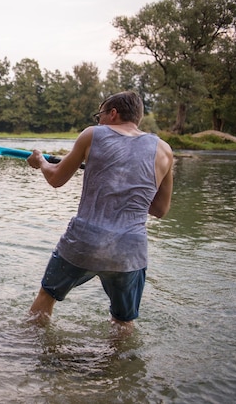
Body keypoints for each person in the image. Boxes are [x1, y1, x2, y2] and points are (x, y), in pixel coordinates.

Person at [26, 91, 174, 331]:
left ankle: (26, 356)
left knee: (46, 298)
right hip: (129, 251)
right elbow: (160, 209)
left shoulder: (92, 134)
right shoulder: (165, 150)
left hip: (84, 243)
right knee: (123, 322)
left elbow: (55, 179)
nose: (98, 121)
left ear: (113, 113)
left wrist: (41, 161)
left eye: (100, 115)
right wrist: (128, 187)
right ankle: (119, 367)